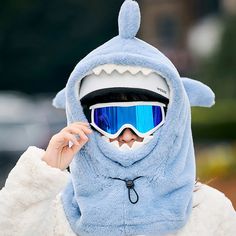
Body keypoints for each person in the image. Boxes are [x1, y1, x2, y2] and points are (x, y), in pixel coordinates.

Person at [0, 1, 236, 236]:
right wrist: (43, 172)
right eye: (108, 119)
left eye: (143, 118)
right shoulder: (55, 210)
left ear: (173, 119)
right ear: (83, 120)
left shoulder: (210, 212)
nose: (126, 133)